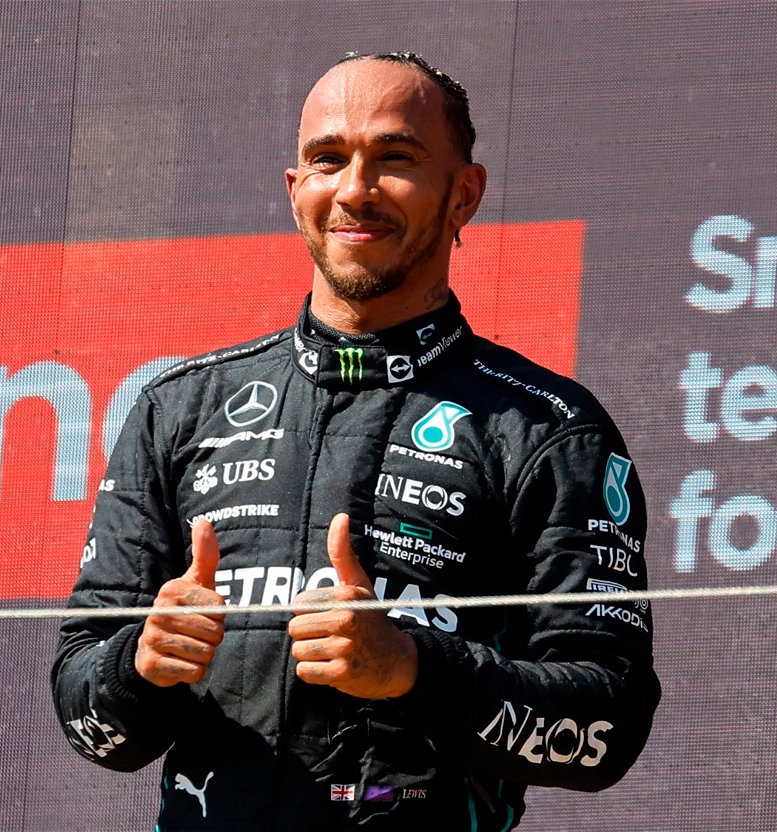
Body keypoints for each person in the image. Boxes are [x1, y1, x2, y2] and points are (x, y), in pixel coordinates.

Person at [52, 51, 660, 831]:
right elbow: (85, 710)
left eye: (395, 159)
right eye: (328, 159)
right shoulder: (181, 408)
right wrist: (139, 666)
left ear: (464, 194)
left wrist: (411, 668)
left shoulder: (547, 429)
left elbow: (609, 725)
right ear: (294, 190)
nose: (355, 189)